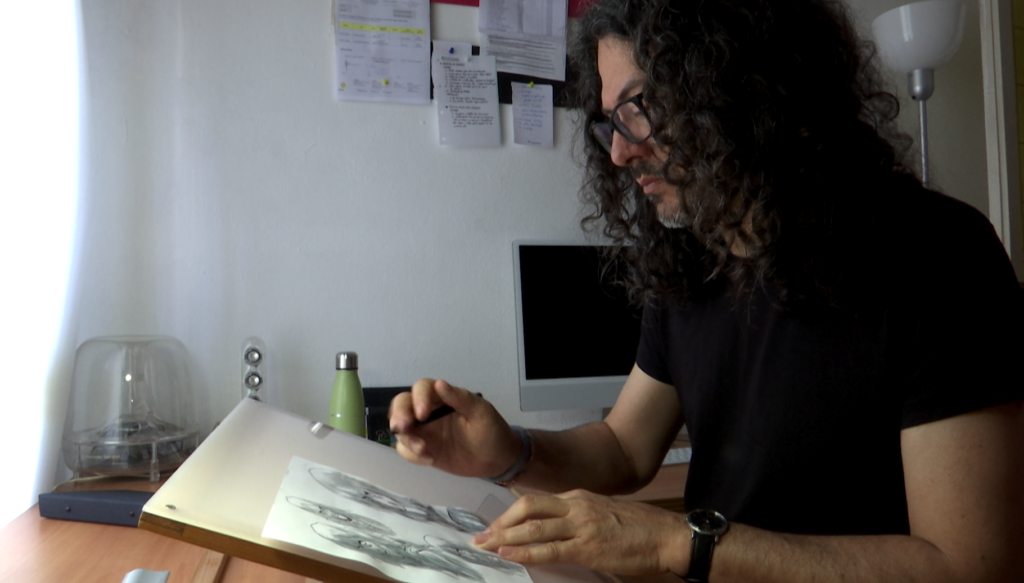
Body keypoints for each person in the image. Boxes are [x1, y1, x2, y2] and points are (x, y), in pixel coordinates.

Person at [389, 0, 1024, 580]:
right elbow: (623, 449)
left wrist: (680, 543)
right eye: (610, 122)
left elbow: (972, 566)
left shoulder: (940, 255)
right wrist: (508, 451)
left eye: (638, 108)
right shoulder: (689, 264)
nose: (618, 153)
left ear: (737, 84)